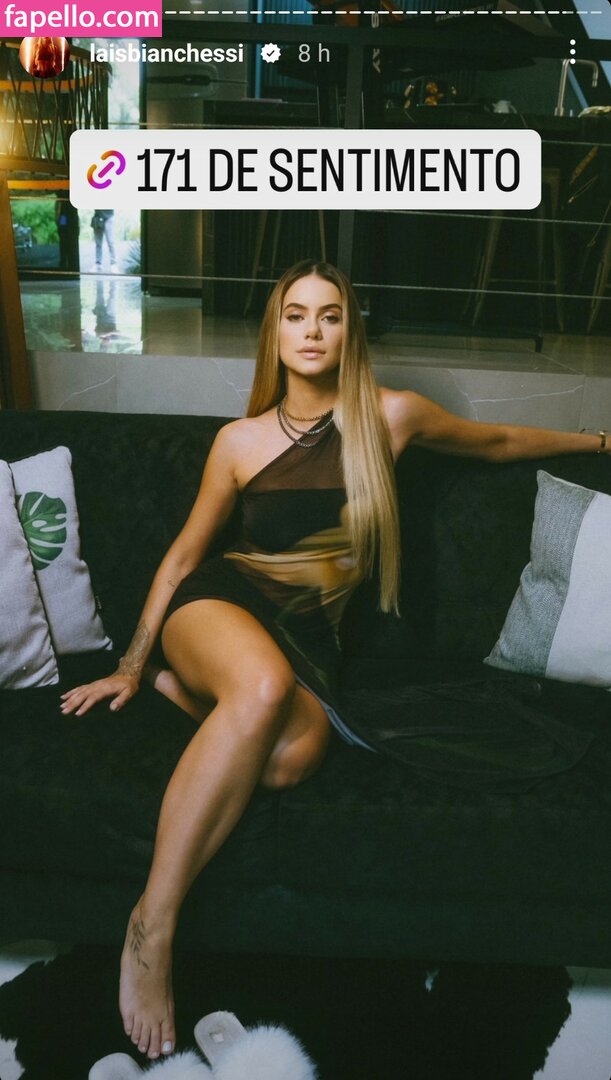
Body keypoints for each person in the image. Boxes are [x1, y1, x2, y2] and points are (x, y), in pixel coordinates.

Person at [60, 260, 611, 1061]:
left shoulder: (392, 417)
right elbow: (182, 557)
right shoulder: (239, 442)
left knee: (293, 757)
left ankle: (195, 700)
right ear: (275, 333)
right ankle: (153, 924)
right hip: (216, 608)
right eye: (295, 315)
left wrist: (599, 440)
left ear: (350, 331)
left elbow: (497, 441)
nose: (312, 330)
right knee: (259, 685)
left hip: (309, 644)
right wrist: (131, 663)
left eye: (329, 315)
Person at [91, 209, 118, 273]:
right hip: (97, 217)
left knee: (111, 242)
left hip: (109, 217)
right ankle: (98, 264)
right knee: (98, 243)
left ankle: (113, 264)